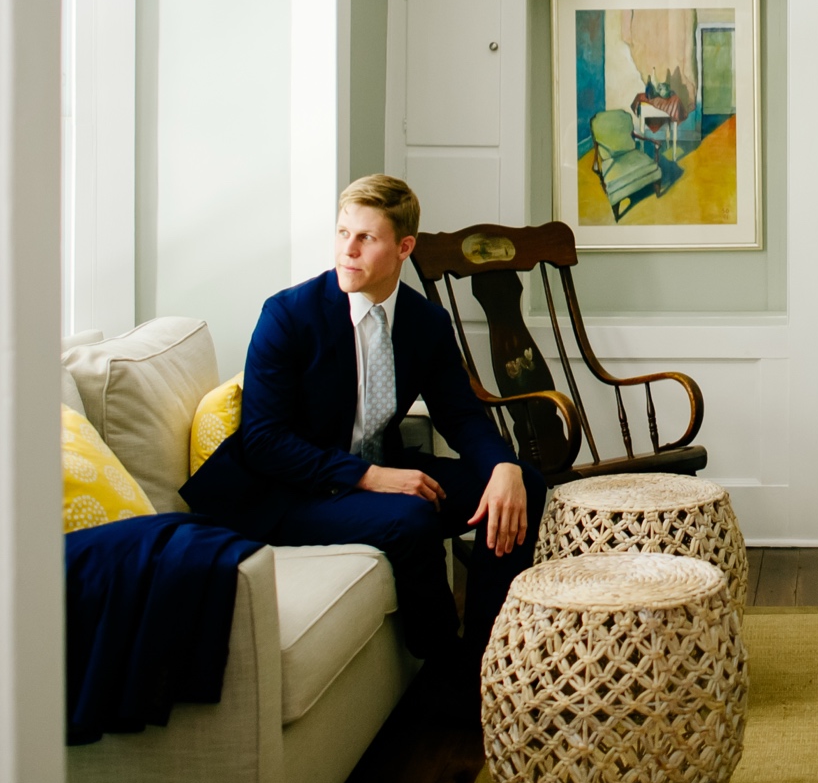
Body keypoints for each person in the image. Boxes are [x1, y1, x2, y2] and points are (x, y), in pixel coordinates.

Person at [181, 175, 547, 719]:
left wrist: (504, 467)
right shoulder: (288, 316)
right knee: (410, 517)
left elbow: (461, 414)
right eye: (342, 233)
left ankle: (487, 658)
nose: (347, 250)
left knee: (525, 486)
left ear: (404, 248)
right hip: (289, 493)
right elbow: (264, 441)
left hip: (380, 471)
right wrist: (367, 477)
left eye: (366, 239)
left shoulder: (425, 322)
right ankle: (445, 669)